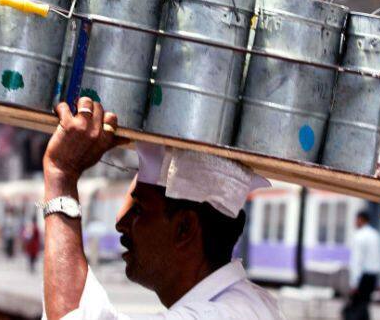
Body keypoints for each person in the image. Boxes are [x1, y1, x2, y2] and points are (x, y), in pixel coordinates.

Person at [41, 96, 284, 319]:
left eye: (139, 209)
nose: (121, 222)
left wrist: (62, 175)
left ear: (184, 228)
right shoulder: (249, 305)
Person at [342, 210, 380, 320]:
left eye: (356, 220)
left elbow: (357, 261)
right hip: (372, 276)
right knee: (364, 305)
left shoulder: (359, 236)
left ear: (361, 219)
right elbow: (379, 258)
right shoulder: (375, 235)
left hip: (362, 277)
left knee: (356, 307)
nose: (355, 222)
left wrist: (354, 283)